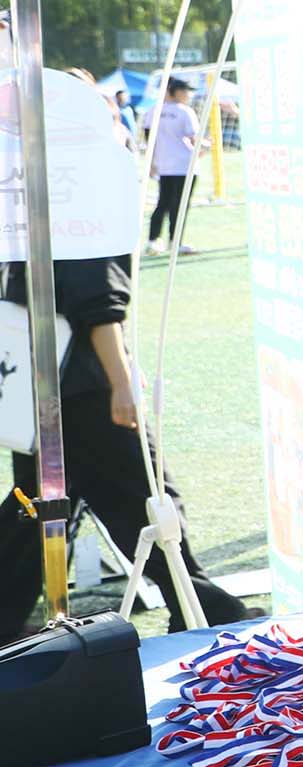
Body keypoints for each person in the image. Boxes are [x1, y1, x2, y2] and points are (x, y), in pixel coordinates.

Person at [1, 255, 254, 635]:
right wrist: (120, 381)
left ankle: (201, 605)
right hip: (81, 382)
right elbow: (96, 300)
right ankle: (204, 607)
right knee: (146, 498)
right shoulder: (80, 209)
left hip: (38, 376)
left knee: (37, 504)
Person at [145, 78, 200, 256]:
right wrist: (206, 145)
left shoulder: (153, 111)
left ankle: (153, 240)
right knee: (179, 205)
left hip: (164, 166)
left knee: (163, 204)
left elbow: (148, 138)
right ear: (174, 91)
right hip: (184, 165)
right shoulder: (185, 112)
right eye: (185, 91)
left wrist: (152, 161)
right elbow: (194, 139)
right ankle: (175, 242)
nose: (188, 95)